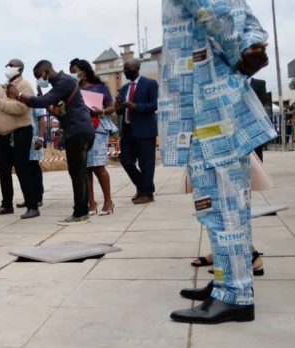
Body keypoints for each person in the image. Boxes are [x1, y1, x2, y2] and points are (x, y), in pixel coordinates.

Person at [160, 0, 275, 324]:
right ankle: (228, 282)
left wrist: (246, 48)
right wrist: (248, 45)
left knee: (222, 209)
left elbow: (219, 10)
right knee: (224, 207)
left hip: (209, 106)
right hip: (209, 102)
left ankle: (234, 294)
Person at [10, 59, 95, 225]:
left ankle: (79, 213)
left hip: (77, 132)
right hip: (79, 130)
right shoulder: (62, 85)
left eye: (39, 77)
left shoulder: (64, 82)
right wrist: (50, 107)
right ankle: (82, 211)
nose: (39, 81)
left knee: (77, 173)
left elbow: (42, 102)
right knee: (79, 173)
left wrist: (19, 95)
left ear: (46, 72)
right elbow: (61, 112)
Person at [0, 58, 39, 219]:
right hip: (3, 135)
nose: (7, 68)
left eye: (11, 66)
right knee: (3, 170)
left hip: (20, 132)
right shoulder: (2, 89)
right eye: (7, 65)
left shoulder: (24, 86)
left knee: (22, 169)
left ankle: (32, 206)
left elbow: (21, 108)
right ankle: (7, 204)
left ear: (20, 69)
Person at [70, 58, 115, 216]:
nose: (73, 75)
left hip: (98, 128)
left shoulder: (100, 87)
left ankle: (108, 201)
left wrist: (101, 111)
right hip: (80, 130)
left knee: (98, 166)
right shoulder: (73, 90)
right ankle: (91, 202)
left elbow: (111, 107)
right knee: (85, 169)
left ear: (84, 71)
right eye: (71, 73)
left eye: (75, 72)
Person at [115, 59, 159, 205]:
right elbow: (120, 111)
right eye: (124, 70)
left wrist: (135, 106)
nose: (126, 73)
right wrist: (119, 107)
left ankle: (147, 194)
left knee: (146, 163)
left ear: (137, 68)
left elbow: (154, 105)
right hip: (127, 130)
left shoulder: (150, 84)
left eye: (128, 70)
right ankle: (143, 187)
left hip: (145, 130)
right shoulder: (124, 88)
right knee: (126, 160)